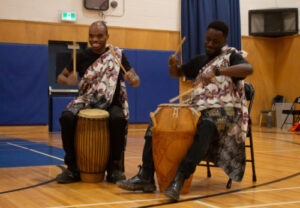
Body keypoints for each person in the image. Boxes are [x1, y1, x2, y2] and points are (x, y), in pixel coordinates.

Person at [117, 20, 253, 201]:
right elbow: (177, 73)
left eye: (215, 41)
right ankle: (146, 176)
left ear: (224, 41)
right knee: (158, 119)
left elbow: (248, 69)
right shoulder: (200, 60)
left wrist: (218, 72)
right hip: (198, 106)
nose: (210, 44)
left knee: (207, 124)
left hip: (225, 110)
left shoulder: (231, 57)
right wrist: (173, 66)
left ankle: (180, 178)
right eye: (208, 40)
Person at [56, 20, 140, 184]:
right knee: (66, 117)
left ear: (107, 36)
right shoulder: (80, 56)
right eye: (91, 36)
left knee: (118, 118)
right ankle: (72, 168)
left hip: (112, 102)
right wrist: (67, 81)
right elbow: (60, 76)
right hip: (86, 100)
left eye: (99, 36)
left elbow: (136, 79)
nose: (94, 39)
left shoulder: (117, 55)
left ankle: (115, 169)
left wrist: (133, 79)